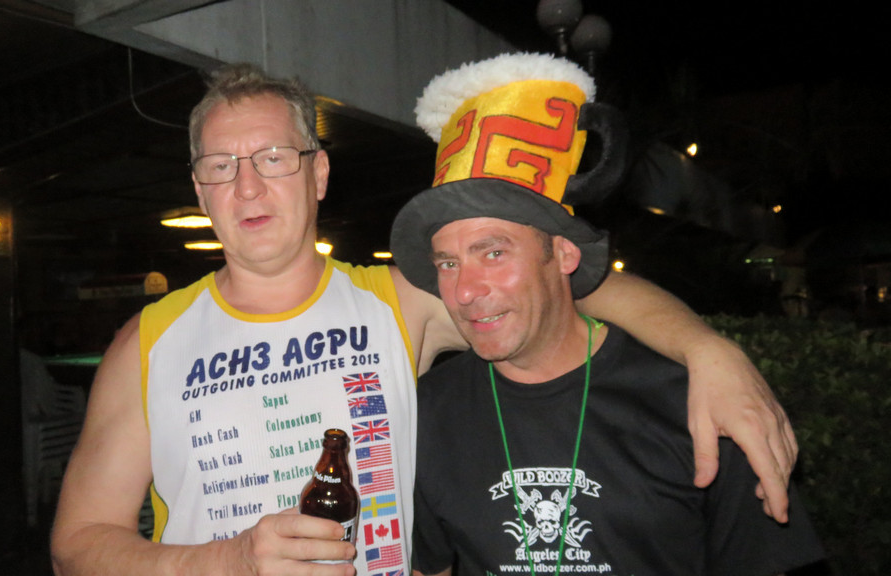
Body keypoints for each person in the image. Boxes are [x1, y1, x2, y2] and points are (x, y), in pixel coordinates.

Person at [50, 62, 798, 576]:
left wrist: (708, 351)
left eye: (273, 157)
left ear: (318, 172)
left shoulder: (399, 301)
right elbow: (76, 546)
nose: (246, 186)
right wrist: (227, 561)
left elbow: (563, 282)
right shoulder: (149, 342)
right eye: (220, 166)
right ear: (199, 189)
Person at [390, 53, 825, 575]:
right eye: (448, 263)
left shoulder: (697, 401)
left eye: (495, 252)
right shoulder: (428, 412)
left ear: (564, 255)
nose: (464, 291)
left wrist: (709, 348)